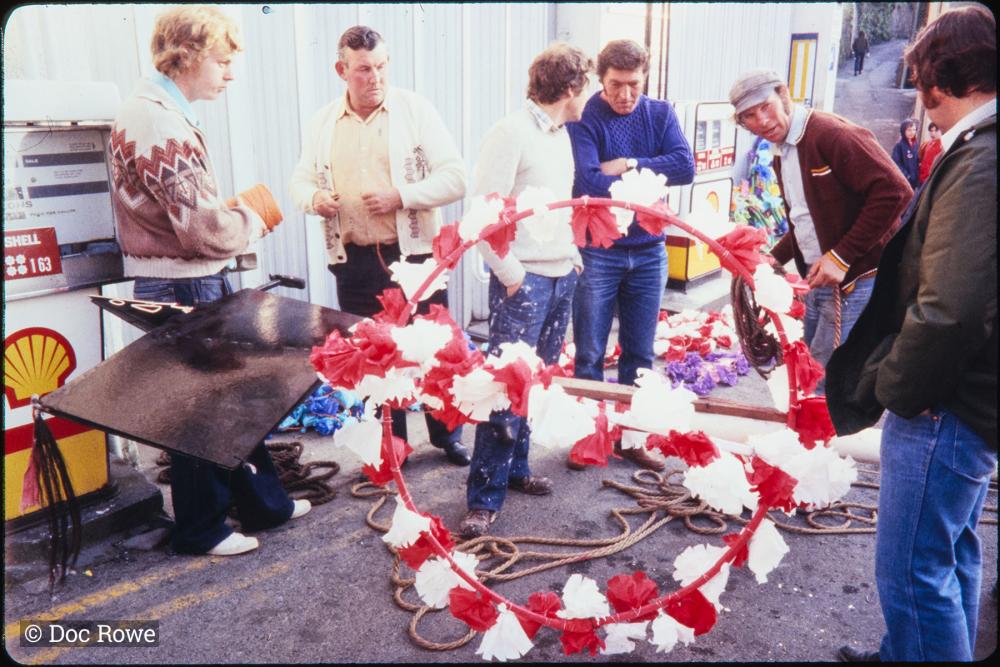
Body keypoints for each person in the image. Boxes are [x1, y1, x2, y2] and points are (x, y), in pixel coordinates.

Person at [826, 6, 997, 662]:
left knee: (913, 571)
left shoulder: (980, 161)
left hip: (945, 404)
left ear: (937, 82)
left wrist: (898, 385)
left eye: (922, 80)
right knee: (951, 552)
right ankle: (908, 650)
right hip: (969, 400)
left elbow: (951, 307)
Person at [108, 5, 309, 557]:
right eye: (221, 61)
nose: (230, 73)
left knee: (229, 397)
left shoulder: (156, 112)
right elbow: (203, 230)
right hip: (185, 282)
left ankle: (266, 504)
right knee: (202, 409)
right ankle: (202, 529)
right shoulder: (158, 121)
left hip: (185, 279)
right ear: (188, 56)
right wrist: (254, 215)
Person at [289, 26, 470, 466]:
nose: (376, 77)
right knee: (372, 358)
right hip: (352, 261)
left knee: (430, 349)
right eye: (364, 69)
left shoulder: (415, 111)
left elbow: (457, 177)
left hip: (414, 258)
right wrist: (314, 198)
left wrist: (401, 196)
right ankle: (393, 445)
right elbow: (300, 180)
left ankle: (447, 436)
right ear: (342, 70)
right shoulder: (323, 122)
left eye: (382, 66)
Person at [459, 43, 593, 538]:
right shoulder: (510, 132)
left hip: (562, 274)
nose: (590, 97)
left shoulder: (560, 134)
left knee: (535, 382)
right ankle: (484, 497)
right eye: (589, 87)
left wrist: (573, 256)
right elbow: (482, 215)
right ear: (571, 88)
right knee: (503, 385)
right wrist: (511, 274)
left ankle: (515, 470)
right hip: (527, 279)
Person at [728, 70, 911, 390]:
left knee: (829, 372)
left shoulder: (829, 133)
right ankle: (807, 433)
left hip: (856, 276)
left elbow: (895, 191)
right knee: (809, 364)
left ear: (783, 94)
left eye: (766, 107)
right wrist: (771, 258)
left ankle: (820, 436)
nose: (763, 120)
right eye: (750, 117)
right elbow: (806, 218)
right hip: (818, 274)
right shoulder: (782, 148)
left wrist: (841, 257)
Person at [567, 39, 695, 472]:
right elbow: (585, 182)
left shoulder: (659, 113)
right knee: (588, 352)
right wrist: (647, 170)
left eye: (634, 86)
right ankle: (589, 439)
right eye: (616, 85)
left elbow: (686, 166)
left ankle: (631, 438)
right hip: (598, 252)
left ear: (645, 78)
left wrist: (625, 163)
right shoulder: (585, 117)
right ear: (600, 80)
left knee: (639, 352)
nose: (625, 95)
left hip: (649, 251)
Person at [891, 118, 920, 188]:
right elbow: (896, 163)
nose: (912, 132)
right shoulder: (899, 145)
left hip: (914, 181)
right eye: (909, 130)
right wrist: (907, 176)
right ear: (903, 131)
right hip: (904, 181)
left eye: (914, 130)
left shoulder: (915, 144)